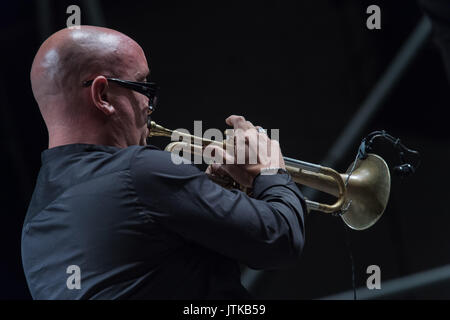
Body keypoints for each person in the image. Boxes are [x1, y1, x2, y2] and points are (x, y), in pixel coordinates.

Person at [21, 26, 306, 299]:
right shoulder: (140, 171)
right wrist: (271, 170)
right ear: (103, 95)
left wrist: (208, 195)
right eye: (142, 86)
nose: (149, 104)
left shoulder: (35, 225)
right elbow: (280, 239)